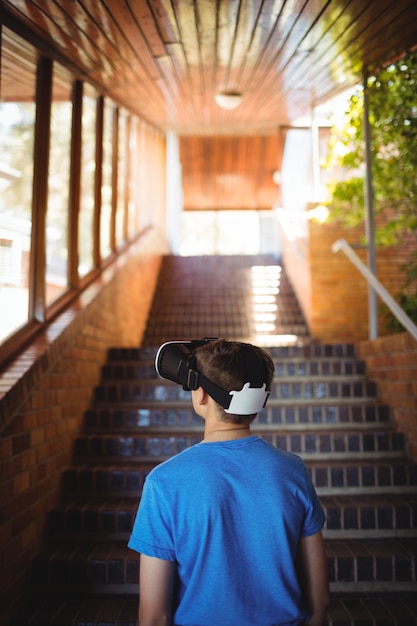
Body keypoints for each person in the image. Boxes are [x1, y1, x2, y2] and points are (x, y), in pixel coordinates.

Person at [128, 338, 329, 626]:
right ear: (260, 399)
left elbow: (153, 617)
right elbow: (320, 600)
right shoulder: (292, 471)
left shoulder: (165, 483)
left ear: (202, 396)